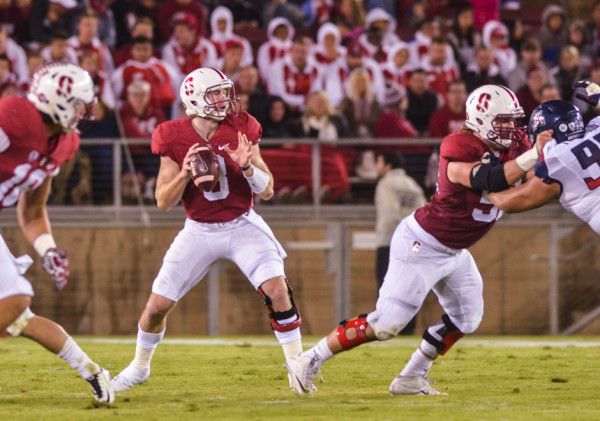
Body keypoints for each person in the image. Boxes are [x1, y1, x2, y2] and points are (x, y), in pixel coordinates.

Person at [284, 84, 550, 396]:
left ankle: (411, 377)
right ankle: (309, 359)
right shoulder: (458, 144)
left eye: (514, 121)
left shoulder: (514, 144)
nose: (512, 129)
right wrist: (536, 154)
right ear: (480, 119)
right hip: (422, 244)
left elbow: (534, 176)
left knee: (467, 317)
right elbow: (487, 178)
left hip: (454, 251)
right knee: (386, 324)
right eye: (503, 121)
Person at [110, 67, 305, 392]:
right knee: (157, 307)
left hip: (242, 223)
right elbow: (162, 201)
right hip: (199, 229)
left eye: (225, 91)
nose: (225, 99)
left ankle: (299, 368)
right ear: (195, 98)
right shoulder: (171, 135)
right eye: (216, 93)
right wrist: (185, 173)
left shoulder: (242, 126)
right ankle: (139, 367)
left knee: (278, 290)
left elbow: (268, 190)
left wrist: (246, 166)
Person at [0, 61, 113, 403]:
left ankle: (93, 371)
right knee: (15, 302)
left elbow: (32, 210)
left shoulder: (65, 143)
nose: (82, 112)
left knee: (17, 310)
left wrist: (47, 249)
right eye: (78, 104)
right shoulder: (14, 115)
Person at [488, 93, 600, 234]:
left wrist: (486, 178)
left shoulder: (557, 160)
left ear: (547, 134)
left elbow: (506, 202)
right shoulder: (596, 126)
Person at [374, 151, 427, 334]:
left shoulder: (386, 183)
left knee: (387, 287)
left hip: (390, 242)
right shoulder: (412, 185)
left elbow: (390, 214)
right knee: (410, 288)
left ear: (388, 165)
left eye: (379, 161)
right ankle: (407, 329)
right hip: (415, 245)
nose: (376, 166)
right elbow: (424, 213)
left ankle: (387, 327)